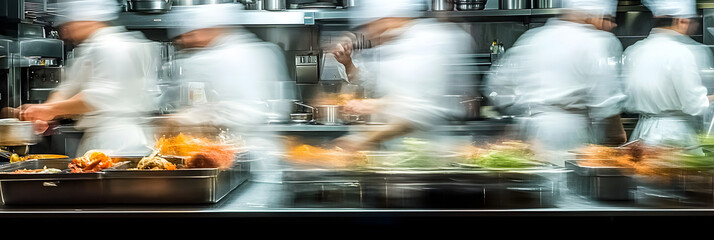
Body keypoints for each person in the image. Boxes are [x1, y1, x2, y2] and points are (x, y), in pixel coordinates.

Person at [484, 0, 625, 165]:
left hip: (533, 133)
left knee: (540, 182)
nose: (610, 25)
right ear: (592, 15)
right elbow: (607, 101)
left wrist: (521, 114)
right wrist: (618, 139)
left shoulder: (534, 37)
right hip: (570, 133)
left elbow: (496, 86)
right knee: (569, 182)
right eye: (606, 18)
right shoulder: (594, 42)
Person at [19, 0, 161, 157]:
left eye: (71, 24)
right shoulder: (89, 49)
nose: (66, 32)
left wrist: (50, 110)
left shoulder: (113, 46)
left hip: (118, 142)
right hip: (98, 142)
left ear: (88, 20)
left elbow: (99, 97)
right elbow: (67, 88)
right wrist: (44, 112)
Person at [330, 0, 473, 151]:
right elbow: (379, 86)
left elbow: (419, 113)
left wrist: (362, 140)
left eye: (371, 25)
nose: (369, 32)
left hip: (429, 153)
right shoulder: (393, 45)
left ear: (390, 19)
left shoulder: (430, 42)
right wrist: (348, 64)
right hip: (400, 152)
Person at [622, 0, 714, 151]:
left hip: (643, 134)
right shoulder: (682, 52)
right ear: (681, 21)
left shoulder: (634, 51)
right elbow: (693, 105)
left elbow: (627, 101)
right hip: (675, 136)